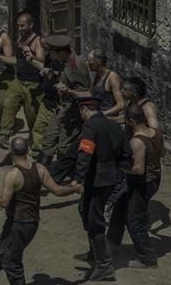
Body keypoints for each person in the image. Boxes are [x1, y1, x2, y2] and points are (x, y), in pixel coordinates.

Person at [0, 137, 81, 285]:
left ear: (10, 151)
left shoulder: (12, 175)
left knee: (11, 260)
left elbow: (3, 202)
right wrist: (75, 189)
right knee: (2, 245)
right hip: (32, 222)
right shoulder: (39, 168)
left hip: (17, 224)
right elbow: (58, 191)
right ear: (27, 150)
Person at [71, 96, 131, 281]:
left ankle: (104, 265)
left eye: (81, 111)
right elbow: (126, 155)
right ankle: (94, 253)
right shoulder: (114, 126)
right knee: (84, 210)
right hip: (110, 178)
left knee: (94, 220)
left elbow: (85, 153)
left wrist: (78, 179)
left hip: (95, 180)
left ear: (85, 109)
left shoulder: (90, 126)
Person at [107, 103, 163, 269]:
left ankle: (148, 259)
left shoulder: (137, 141)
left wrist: (119, 165)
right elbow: (161, 154)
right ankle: (111, 243)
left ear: (131, 121)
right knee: (120, 206)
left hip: (142, 183)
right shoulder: (155, 132)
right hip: (152, 178)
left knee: (134, 221)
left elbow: (138, 170)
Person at [33, 36, 90, 180]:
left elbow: (87, 94)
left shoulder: (77, 66)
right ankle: (38, 175)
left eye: (52, 53)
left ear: (60, 51)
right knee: (48, 140)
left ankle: (65, 176)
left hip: (73, 112)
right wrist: (55, 75)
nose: (52, 56)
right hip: (63, 109)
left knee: (64, 147)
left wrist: (68, 91)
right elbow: (67, 77)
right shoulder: (66, 63)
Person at [0, 13, 44, 147]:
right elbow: (16, 60)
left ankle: (35, 140)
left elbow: (42, 62)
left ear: (31, 25)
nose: (19, 28)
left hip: (33, 84)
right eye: (18, 25)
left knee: (31, 115)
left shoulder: (37, 42)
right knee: (8, 104)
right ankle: (4, 134)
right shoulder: (21, 40)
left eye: (22, 25)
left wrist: (32, 57)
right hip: (18, 80)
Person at [86, 50, 125, 119]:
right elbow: (91, 93)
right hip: (98, 116)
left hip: (107, 120)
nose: (87, 63)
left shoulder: (112, 78)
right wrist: (71, 92)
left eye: (89, 61)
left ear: (97, 62)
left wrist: (102, 114)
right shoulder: (98, 75)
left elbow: (121, 105)